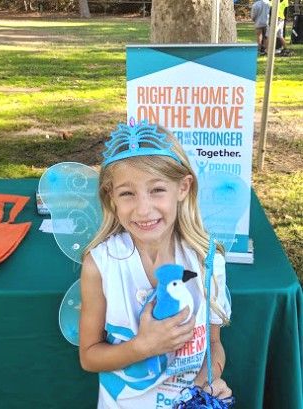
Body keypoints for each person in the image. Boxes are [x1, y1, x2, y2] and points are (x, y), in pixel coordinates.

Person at [79, 122, 232, 408]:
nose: (143, 209)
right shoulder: (100, 265)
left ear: (183, 188)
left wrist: (208, 380)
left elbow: (214, 344)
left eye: (157, 190)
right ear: (111, 196)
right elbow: (89, 356)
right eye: (127, 193)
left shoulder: (207, 261)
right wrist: (144, 346)